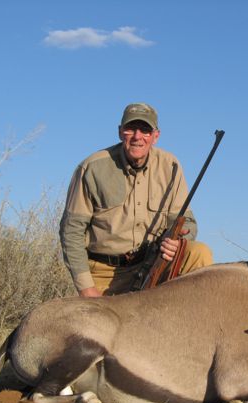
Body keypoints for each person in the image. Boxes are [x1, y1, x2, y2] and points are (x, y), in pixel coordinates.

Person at [60, 103, 213, 297]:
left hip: (152, 264)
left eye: (145, 130)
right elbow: (71, 230)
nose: (137, 137)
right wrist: (86, 288)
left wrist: (179, 240)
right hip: (104, 272)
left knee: (199, 253)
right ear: (120, 132)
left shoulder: (171, 166)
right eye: (130, 128)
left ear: (156, 136)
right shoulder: (92, 167)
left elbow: (187, 223)